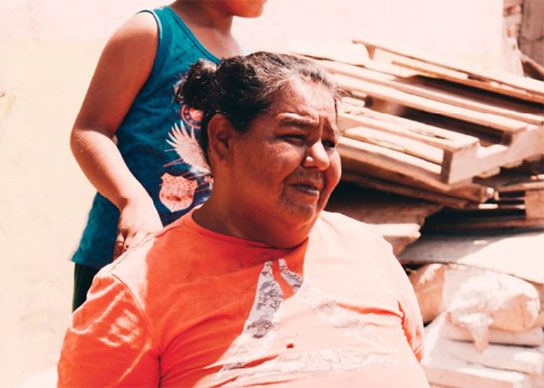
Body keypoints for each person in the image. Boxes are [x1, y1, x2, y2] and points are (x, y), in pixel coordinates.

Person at [58, 52, 429, 387]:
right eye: (295, 135)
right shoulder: (134, 293)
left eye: (330, 143)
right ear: (223, 140)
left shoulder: (368, 252)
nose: (318, 158)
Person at [69, 0, 267, 311]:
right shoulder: (151, 32)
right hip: (123, 260)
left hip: (197, 266)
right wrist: (133, 201)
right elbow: (90, 130)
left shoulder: (238, 55)